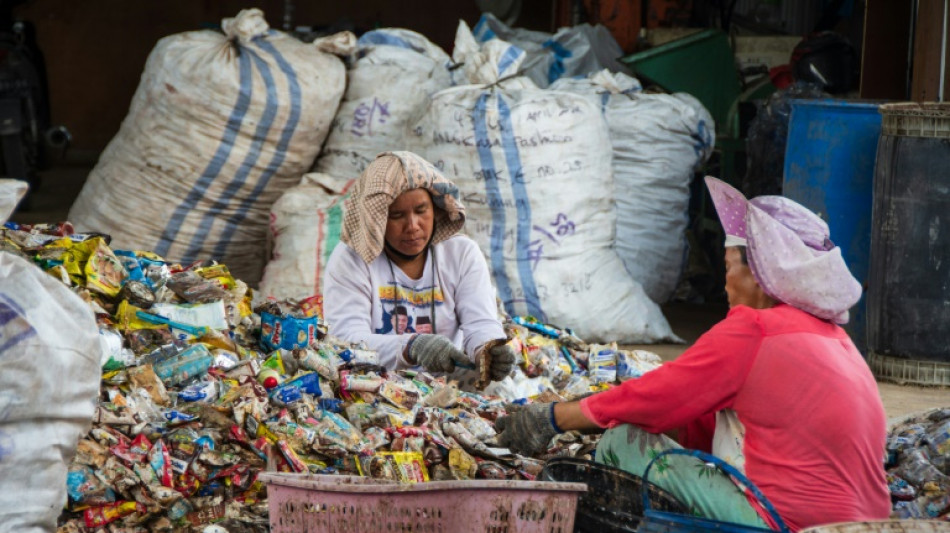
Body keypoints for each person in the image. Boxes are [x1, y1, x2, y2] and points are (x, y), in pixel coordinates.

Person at [496, 177, 890, 530]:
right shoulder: (835, 339)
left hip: (781, 524)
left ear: (760, 274)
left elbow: (660, 395)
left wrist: (555, 418)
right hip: (865, 524)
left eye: (729, 268)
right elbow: (694, 414)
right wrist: (609, 406)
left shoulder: (755, 329)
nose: (725, 285)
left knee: (622, 442)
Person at [323, 151, 515, 383]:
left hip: (448, 384)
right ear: (376, 220)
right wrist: (411, 347)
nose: (413, 226)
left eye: (421, 211)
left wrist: (488, 349)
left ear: (436, 209)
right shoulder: (351, 259)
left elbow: (480, 322)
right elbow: (345, 340)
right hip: (374, 384)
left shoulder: (461, 253)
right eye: (397, 215)